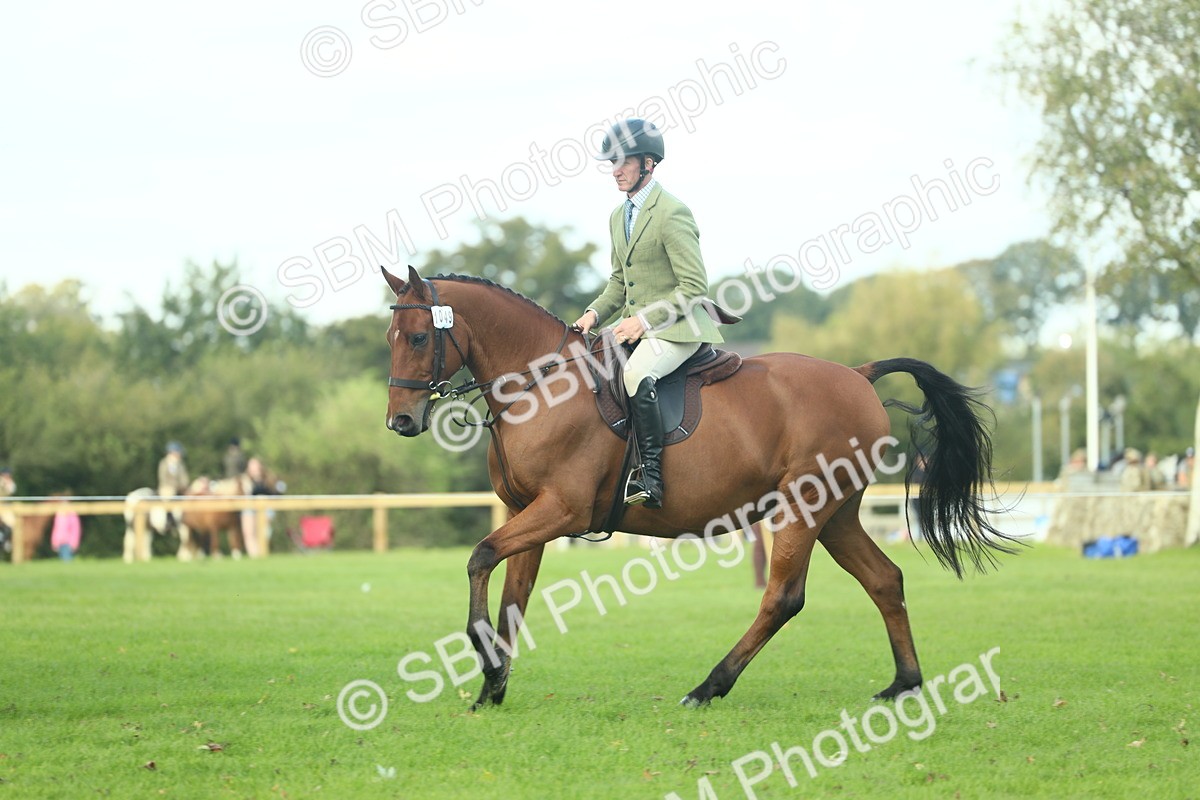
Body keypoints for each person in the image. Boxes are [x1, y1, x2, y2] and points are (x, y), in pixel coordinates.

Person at [573, 118, 726, 508]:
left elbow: (693, 287)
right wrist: (592, 314)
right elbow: (618, 283)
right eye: (612, 163)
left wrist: (643, 321)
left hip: (679, 330)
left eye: (624, 162)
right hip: (633, 328)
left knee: (636, 373)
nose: (616, 170)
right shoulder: (617, 216)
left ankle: (651, 478)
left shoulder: (672, 212)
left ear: (648, 164)